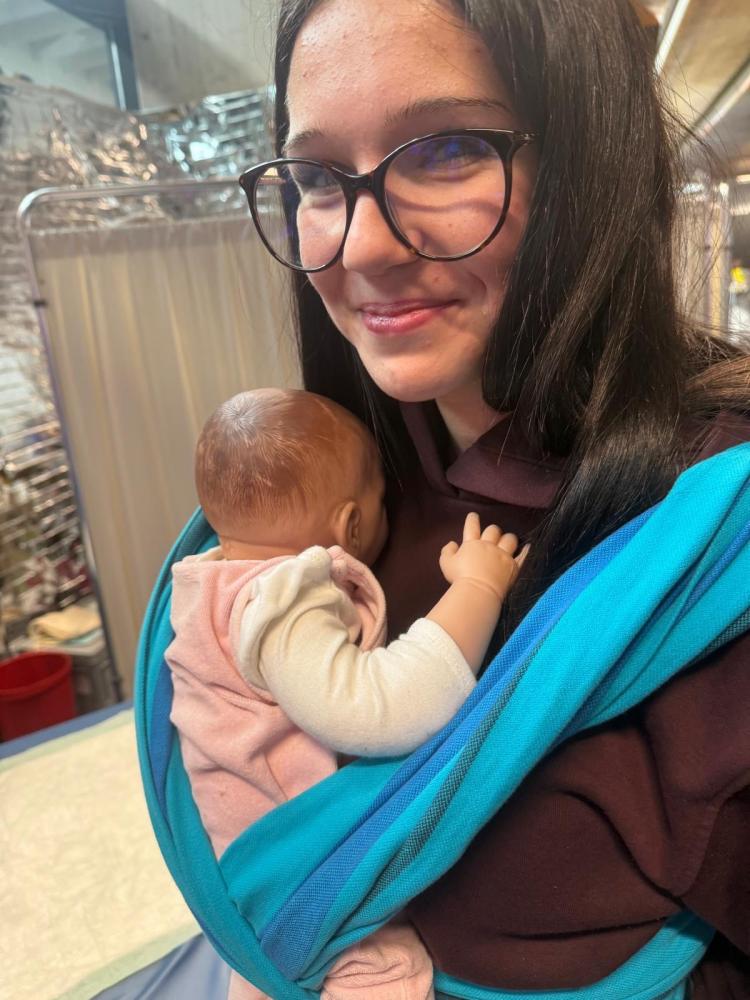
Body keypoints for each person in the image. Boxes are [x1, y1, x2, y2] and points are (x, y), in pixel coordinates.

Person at [234, 0, 750, 995]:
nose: (362, 246)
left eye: (447, 150)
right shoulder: (336, 492)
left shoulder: (714, 538)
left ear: (588, 167)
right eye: (317, 177)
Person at [166, 387, 525, 1000]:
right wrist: (478, 589)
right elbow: (379, 708)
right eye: (383, 503)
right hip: (314, 891)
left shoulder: (207, 587)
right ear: (351, 524)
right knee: (386, 975)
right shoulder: (281, 601)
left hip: (257, 887)